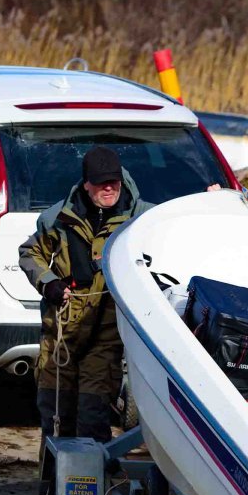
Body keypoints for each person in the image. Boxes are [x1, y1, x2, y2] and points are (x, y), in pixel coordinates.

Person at [19, 146, 150, 443]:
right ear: (86, 183)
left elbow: (176, 235)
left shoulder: (141, 219)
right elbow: (30, 254)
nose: (109, 188)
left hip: (105, 337)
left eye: (113, 182)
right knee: (55, 419)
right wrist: (48, 282)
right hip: (60, 336)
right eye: (101, 182)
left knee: (92, 418)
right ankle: (52, 486)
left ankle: (94, 486)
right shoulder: (59, 217)